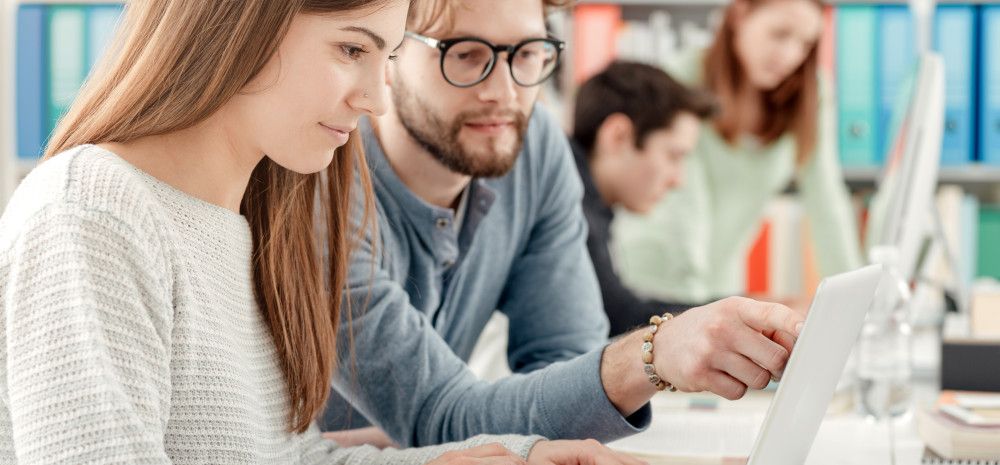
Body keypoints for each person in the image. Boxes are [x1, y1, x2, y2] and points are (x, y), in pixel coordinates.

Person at [0, 1, 637, 463]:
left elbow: (281, 458)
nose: (377, 100)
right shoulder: (94, 212)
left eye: (385, 57)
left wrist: (494, 458)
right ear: (239, 25)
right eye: (352, 50)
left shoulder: (243, 222)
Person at [321, 0, 805, 449]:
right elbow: (440, 416)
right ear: (387, 55)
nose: (505, 93)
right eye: (465, 55)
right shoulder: (323, 186)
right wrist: (655, 353)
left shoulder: (533, 147)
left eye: (528, 53)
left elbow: (567, 377)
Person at [613, 0, 863, 306]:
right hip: (656, 281)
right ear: (740, 15)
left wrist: (855, 301)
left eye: (805, 43)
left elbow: (827, 199)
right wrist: (696, 311)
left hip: (720, 285)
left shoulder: (812, 95)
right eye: (780, 34)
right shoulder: (681, 78)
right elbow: (684, 209)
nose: (790, 56)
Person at [569, 61, 716, 336]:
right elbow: (616, 315)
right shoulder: (567, 205)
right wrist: (738, 312)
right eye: (673, 156)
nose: (678, 179)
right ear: (618, 135)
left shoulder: (587, 199)